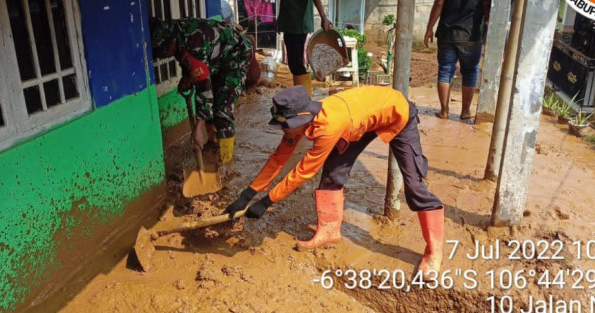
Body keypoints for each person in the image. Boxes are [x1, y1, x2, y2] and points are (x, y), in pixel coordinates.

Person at [224, 86, 445, 275]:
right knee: (332, 175)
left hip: (397, 113)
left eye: (287, 125)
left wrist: (267, 201)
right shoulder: (300, 120)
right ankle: (329, 231)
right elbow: (278, 158)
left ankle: (434, 251)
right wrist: (248, 194)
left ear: (303, 117)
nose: (285, 130)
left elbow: (303, 171)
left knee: (414, 186)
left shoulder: (329, 127)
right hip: (359, 120)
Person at [150, 17, 253, 164]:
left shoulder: (194, 44)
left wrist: (199, 127)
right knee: (210, 107)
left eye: (164, 53)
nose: (165, 56)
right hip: (215, 57)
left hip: (237, 55)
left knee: (222, 109)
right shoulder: (177, 33)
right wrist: (187, 77)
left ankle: (226, 162)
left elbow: (204, 89)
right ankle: (213, 142)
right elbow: (190, 62)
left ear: (170, 42)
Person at [423, 0, 490, 121]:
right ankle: (465, 111)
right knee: (470, 72)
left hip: (447, 34)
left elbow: (439, 3)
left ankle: (444, 111)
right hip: (470, 35)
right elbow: (487, 5)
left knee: (445, 71)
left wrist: (429, 28)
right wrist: (488, 24)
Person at [277, 0, 332, 96]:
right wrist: (280, 20)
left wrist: (323, 17)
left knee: (296, 65)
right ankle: (303, 98)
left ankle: (305, 99)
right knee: (295, 65)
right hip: (290, 24)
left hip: (297, 25)